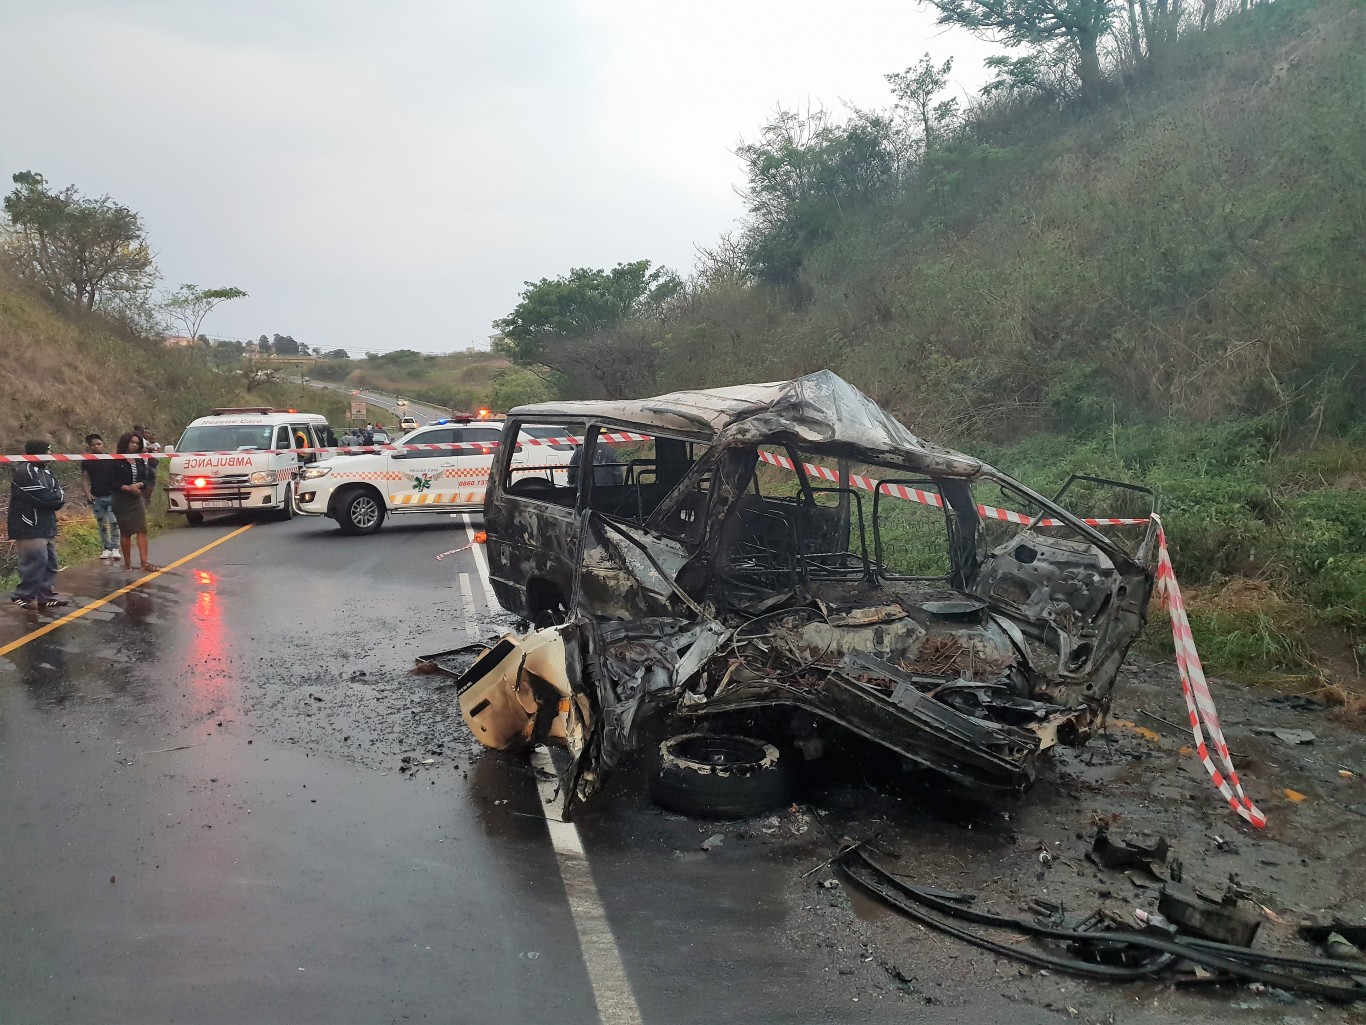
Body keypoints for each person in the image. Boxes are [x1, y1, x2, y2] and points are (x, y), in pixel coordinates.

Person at [8, 439, 70, 610]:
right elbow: (40, 497)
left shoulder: (47, 473)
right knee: (35, 560)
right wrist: (54, 499)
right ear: (38, 452)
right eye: (48, 451)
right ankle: (23, 595)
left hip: (47, 525)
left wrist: (55, 499)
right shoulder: (24, 472)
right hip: (28, 525)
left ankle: (45, 595)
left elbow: (60, 494)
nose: (51, 455)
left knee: (50, 562)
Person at [112, 432, 158, 572]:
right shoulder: (116, 460)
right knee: (126, 532)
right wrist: (127, 488)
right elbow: (111, 481)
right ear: (125, 443)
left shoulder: (139, 460)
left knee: (142, 529)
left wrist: (139, 486)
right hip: (121, 499)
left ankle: (144, 563)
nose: (134, 445)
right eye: (132, 442)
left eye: (137, 443)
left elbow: (147, 478)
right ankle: (128, 564)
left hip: (136, 498)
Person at [81, 433, 121, 559]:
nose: (96, 447)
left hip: (112, 496)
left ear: (103, 445)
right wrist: (87, 494)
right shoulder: (87, 461)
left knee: (114, 522)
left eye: (98, 444)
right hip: (97, 497)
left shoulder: (111, 459)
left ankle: (115, 547)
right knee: (102, 524)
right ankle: (106, 548)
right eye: (93, 445)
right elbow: (85, 479)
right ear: (89, 447)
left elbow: (118, 478)